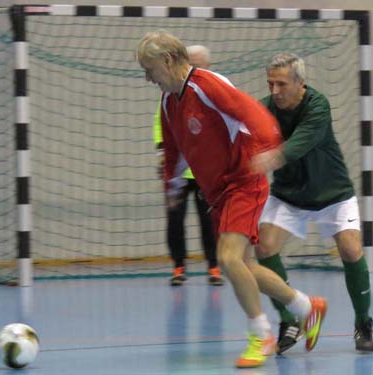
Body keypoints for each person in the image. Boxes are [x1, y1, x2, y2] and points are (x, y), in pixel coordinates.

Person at [136, 30, 327, 369]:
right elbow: (174, 151)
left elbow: (253, 113)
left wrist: (269, 150)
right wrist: (172, 186)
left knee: (227, 258)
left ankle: (260, 335)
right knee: (246, 264)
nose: (147, 77)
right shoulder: (168, 102)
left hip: (244, 181)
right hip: (217, 192)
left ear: (167, 61)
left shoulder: (206, 85)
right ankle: (306, 307)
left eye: (149, 69)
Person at [253, 52, 373, 354]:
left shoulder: (318, 106)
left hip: (332, 194)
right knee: (264, 247)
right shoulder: (264, 108)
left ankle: (363, 322)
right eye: (270, 84)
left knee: (351, 249)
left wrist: (270, 157)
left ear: (300, 82)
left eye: (281, 84)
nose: (274, 91)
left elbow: (299, 144)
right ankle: (288, 320)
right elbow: (242, 131)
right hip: (288, 194)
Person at [153, 45, 223, 286]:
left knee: (209, 222)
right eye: (191, 64)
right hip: (180, 171)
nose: (194, 70)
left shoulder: (215, 93)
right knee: (175, 218)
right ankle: (178, 266)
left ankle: (214, 267)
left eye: (199, 65)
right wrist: (164, 153)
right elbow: (161, 124)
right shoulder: (172, 95)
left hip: (206, 172)